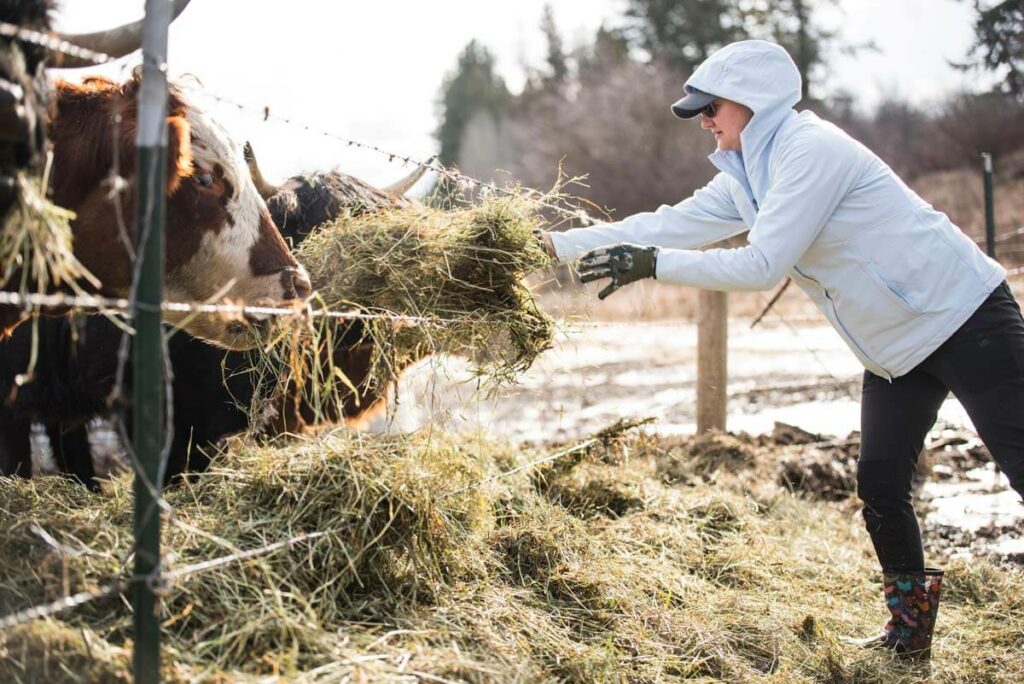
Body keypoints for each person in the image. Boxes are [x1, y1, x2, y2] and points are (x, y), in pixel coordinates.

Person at [536, 39, 1024, 661]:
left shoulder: (810, 151)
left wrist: (654, 266)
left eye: (710, 108)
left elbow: (763, 264)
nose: (704, 121)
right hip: (894, 350)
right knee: (879, 484)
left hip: (965, 315)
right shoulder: (746, 177)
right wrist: (553, 245)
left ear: (753, 103)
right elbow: (659, 224)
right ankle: (907, 640)